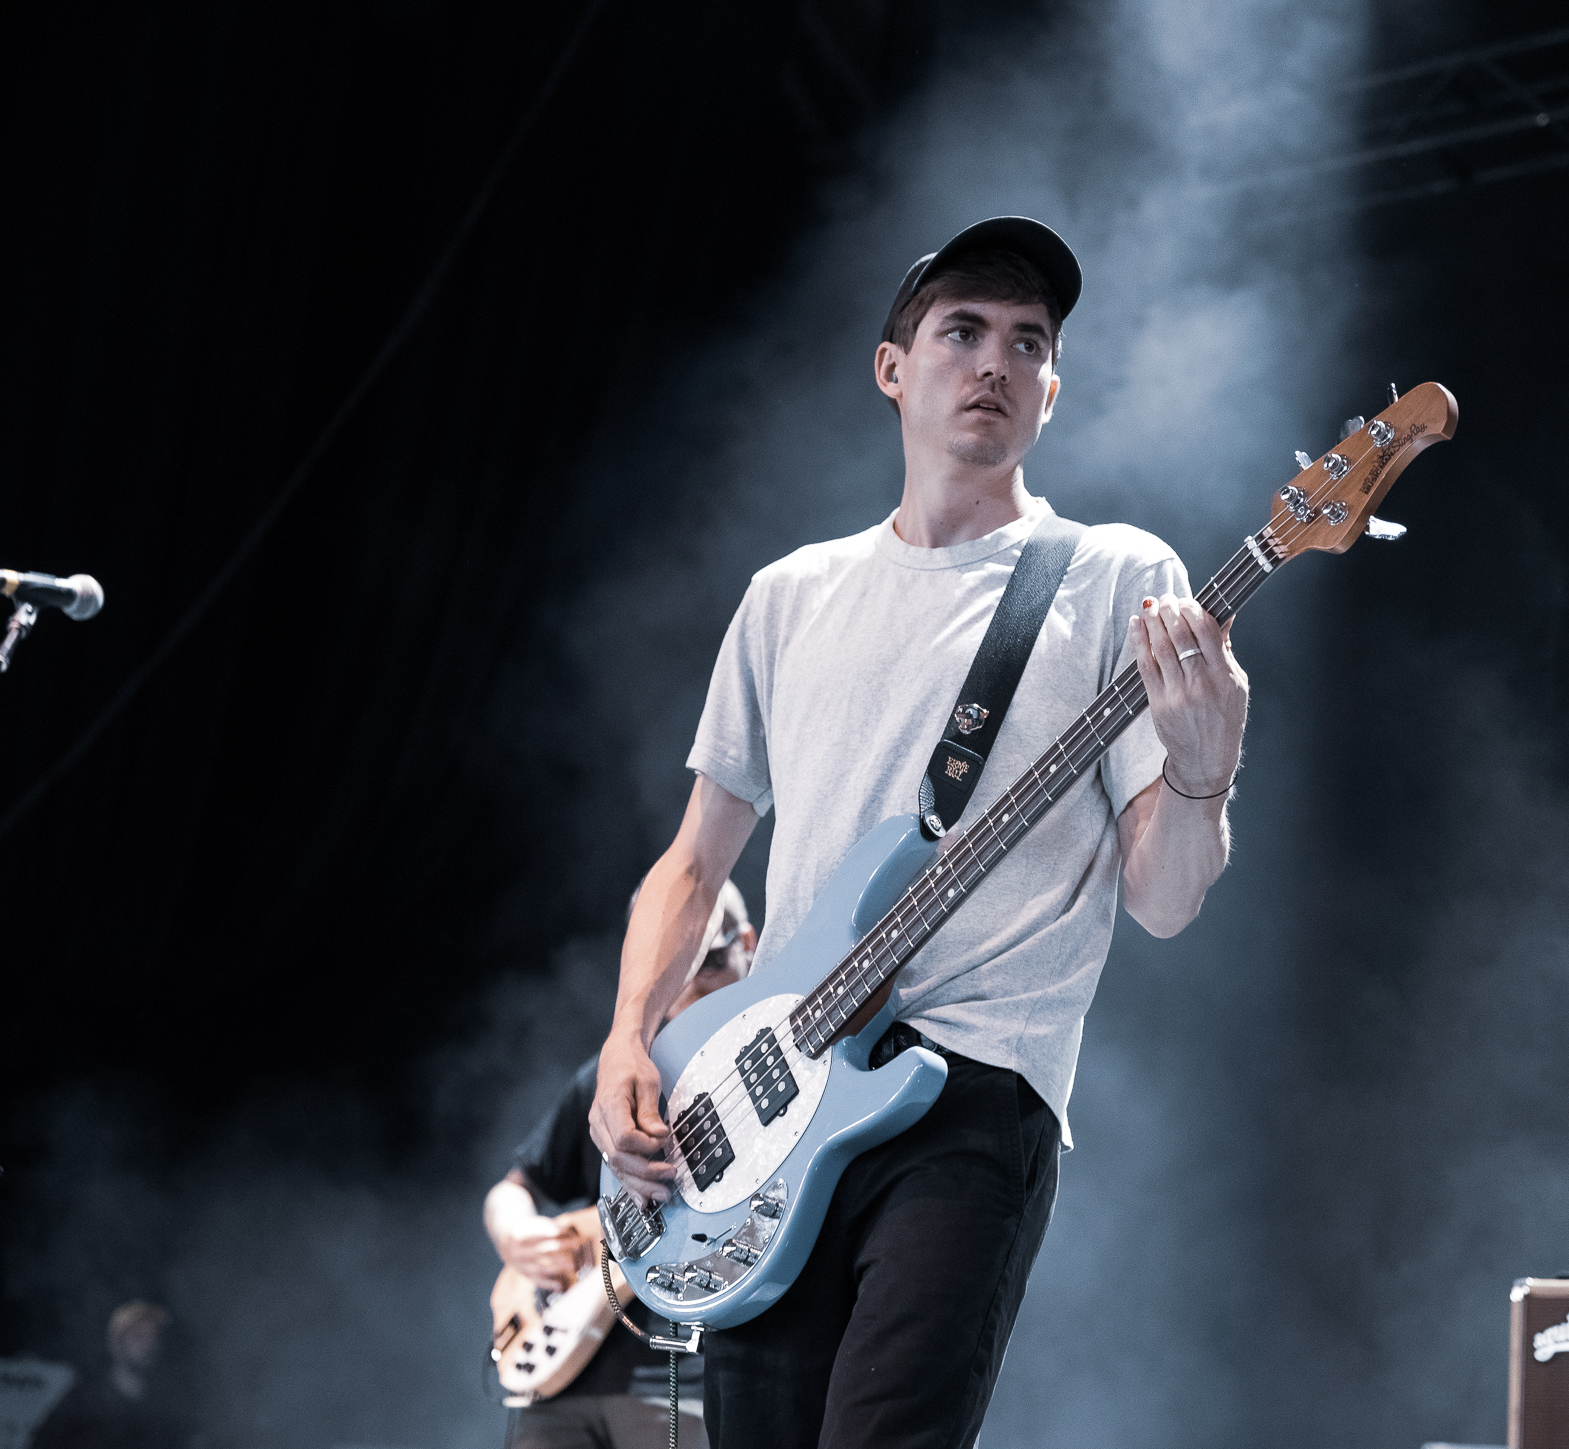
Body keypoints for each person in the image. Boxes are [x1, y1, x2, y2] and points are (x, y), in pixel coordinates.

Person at [588, 216, 1250, 1449]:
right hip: (773, 1104)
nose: (995, 361)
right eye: (962, 331)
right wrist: (630, 1036)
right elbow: (693, 862)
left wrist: (1205, 773)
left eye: (1028, 342)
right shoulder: (788, 596)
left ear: (1053, 389)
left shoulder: (1115, 578)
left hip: (974, 1097)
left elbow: (1164, 903)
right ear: (892, 368)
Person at [485, 880, 757, 1449]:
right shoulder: (615, 1080)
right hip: (561, 1383)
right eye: (672, 968)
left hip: (682, 1382)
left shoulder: (770, 1068)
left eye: (706, 964)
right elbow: (516, 1186)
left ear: (747, 946)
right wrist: (516, 1234)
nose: (688, 988)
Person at [29, 1301, 189, 1449]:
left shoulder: (163, 1405)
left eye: (155, 1337)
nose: (150, 1345)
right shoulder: (85, 1400)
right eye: (139, 1336)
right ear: (116, 1343)